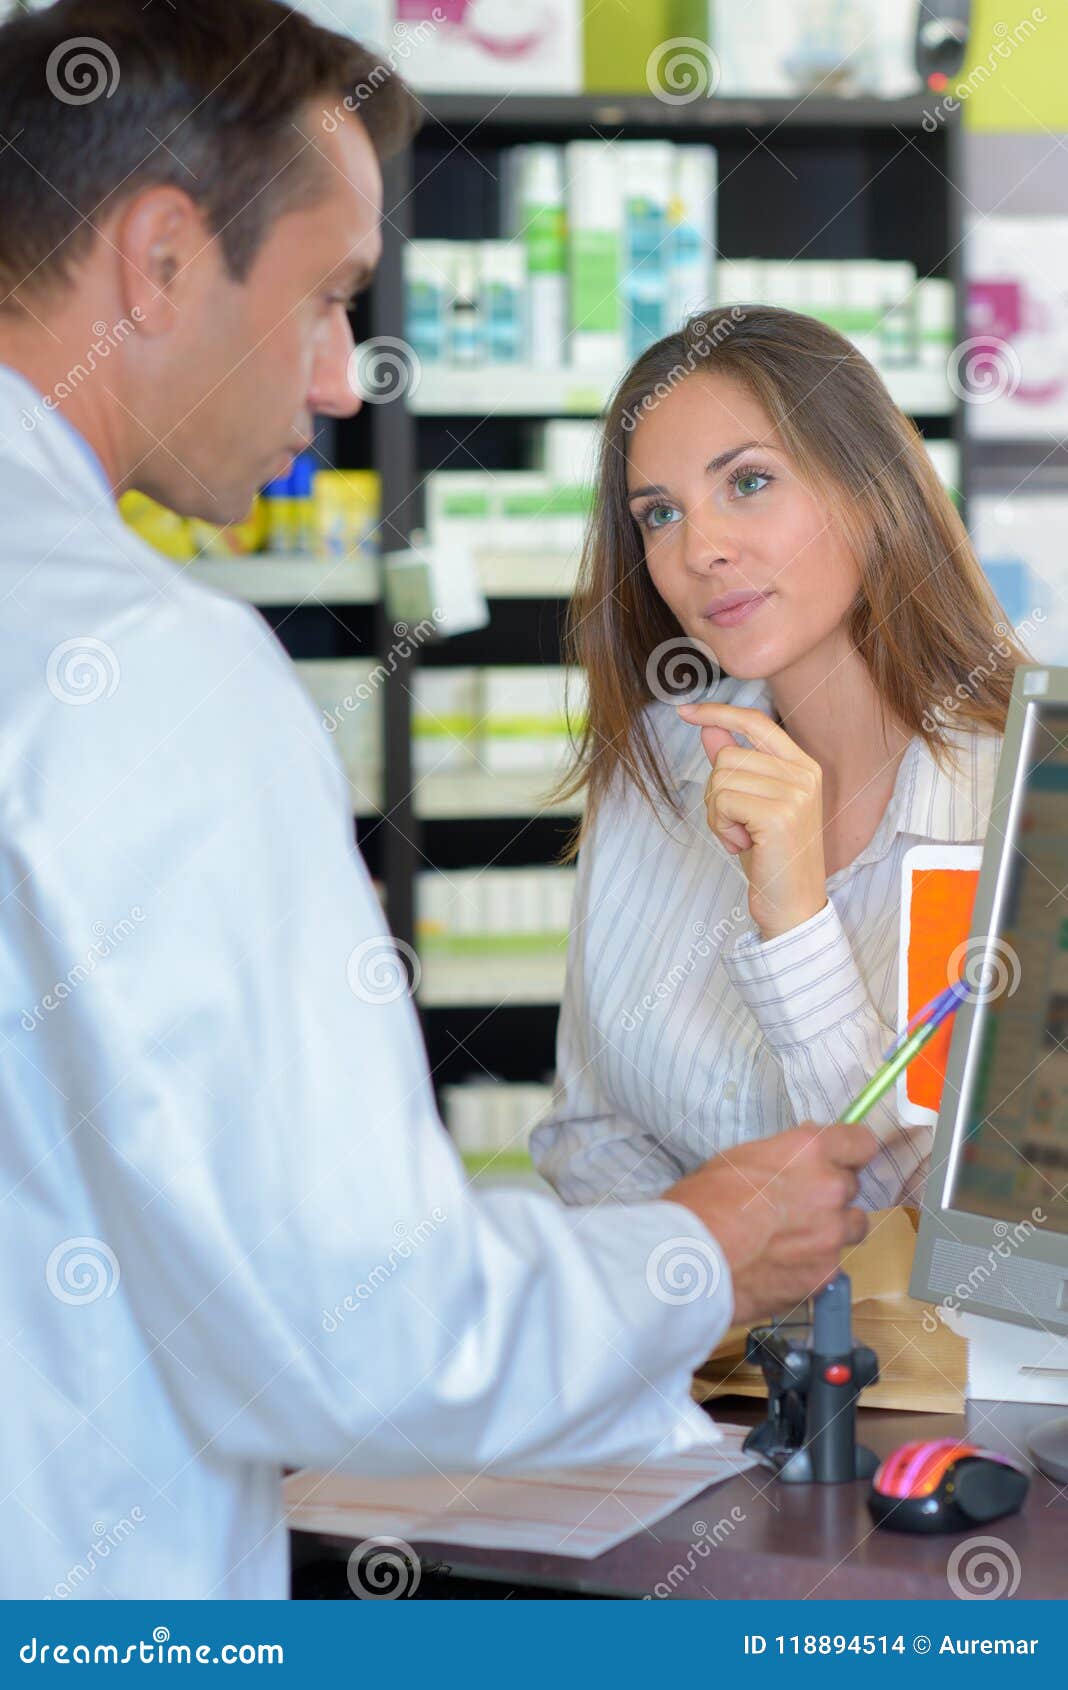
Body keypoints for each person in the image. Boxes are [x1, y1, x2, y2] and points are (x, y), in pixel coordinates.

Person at [0, 0, 876, 1600]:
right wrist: (699, 1251)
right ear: (161, 257)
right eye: (330, 294)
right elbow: (369, 1330)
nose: (344, 375)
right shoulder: (146, 660)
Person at [531, 305, 1029, 1212]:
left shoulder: (1025, 800)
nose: (700, 550)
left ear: (870, 486)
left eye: (750, 482)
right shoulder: (655, 763)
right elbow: (590, 1134)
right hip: (690, 1350)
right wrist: (696, 1287)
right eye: (660, 514)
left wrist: (797, 925)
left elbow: (976, 1223)